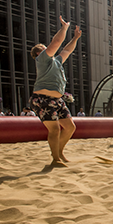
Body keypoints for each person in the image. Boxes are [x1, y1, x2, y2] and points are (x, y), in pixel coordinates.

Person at [29, 16, 81, 166]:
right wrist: (64, 28)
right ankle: (55, 159)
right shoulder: (42, 60)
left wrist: (76, 38)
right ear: (38, 55)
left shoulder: (55, 61)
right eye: (43, 49)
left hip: (56, 100)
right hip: (42, 99)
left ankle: (59, 152)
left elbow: (67, 50)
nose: (46, 49)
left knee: (70, 127)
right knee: (55, 129)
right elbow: (57, 43)